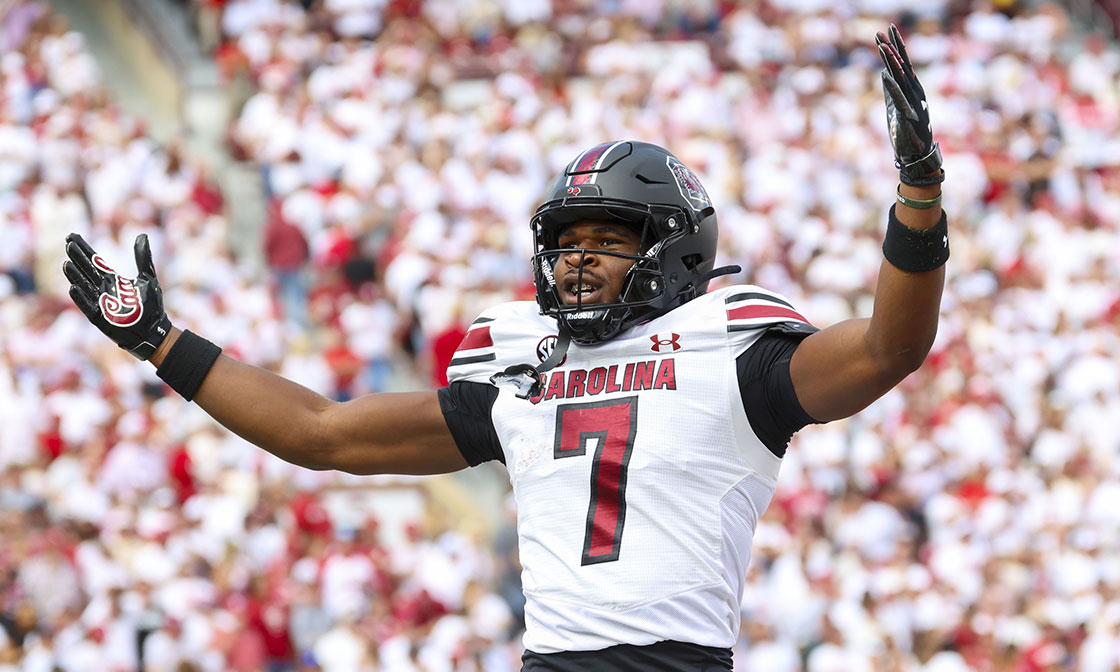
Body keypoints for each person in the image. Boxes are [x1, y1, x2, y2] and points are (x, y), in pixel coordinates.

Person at [62, 26, 947, 671]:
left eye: (607, 239)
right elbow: (322, 434)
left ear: (675, 248)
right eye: (567, 241)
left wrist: (916, 195)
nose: (577, 261)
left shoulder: (734, 345)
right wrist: (163, 344)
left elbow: (885, 351)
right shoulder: (520, 363)